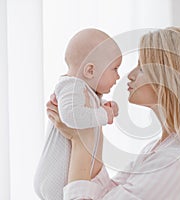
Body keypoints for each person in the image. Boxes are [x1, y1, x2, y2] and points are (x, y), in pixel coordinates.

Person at [46, 27, 180, 200]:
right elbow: (106, 194)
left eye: (141, 67)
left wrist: (80, 139)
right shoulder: (161, 149)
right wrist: (88, 127)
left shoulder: (173, 163)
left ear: (168, 81)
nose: (130, 75)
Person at [34, 28, 122, 200]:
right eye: (115, 69)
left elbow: (84, 110)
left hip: (69, 178)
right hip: (57, 180)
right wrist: (103, 114)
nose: (118, 76)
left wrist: (105, 106)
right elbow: (72, 116)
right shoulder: (71, 86)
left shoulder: (85, 90)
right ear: (90, 71)